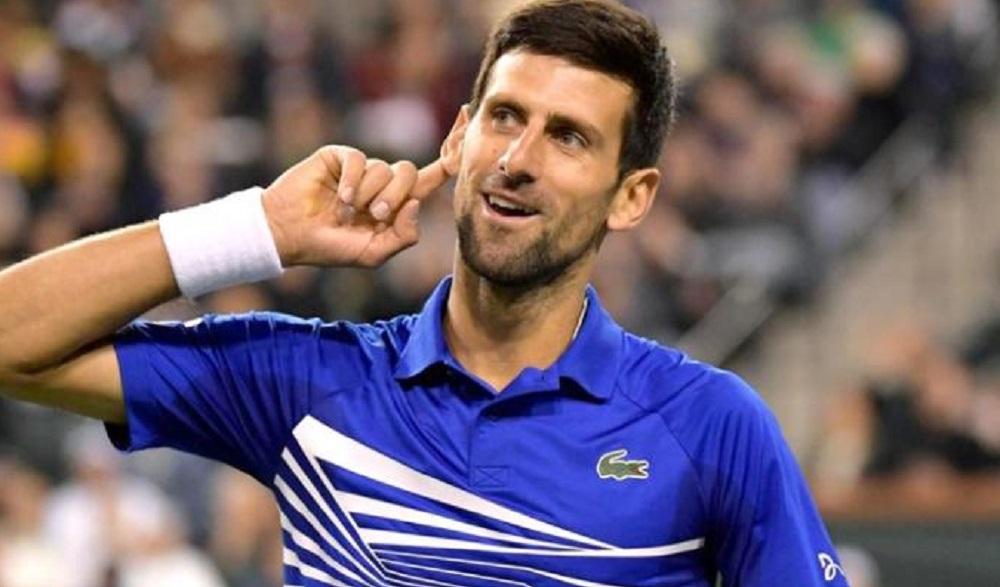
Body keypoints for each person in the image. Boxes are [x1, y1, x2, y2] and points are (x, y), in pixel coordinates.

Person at [0, 1, 848, 585]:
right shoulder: (307, 380)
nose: (518, 159)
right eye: (505, 116)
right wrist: (256, 228)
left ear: (632, 196)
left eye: (568, 137)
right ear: (458, 136)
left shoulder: (710, 424)